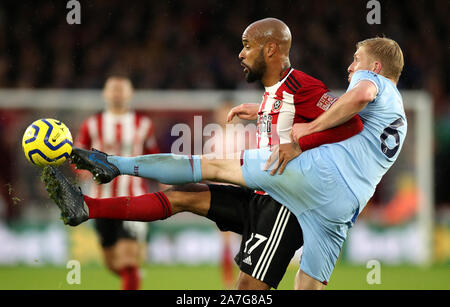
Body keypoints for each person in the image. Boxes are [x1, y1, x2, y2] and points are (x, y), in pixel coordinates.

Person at [43, 18, 364, 289]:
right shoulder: (273, 93)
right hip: (261, 194)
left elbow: (353, 122)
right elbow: (290, 116)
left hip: (285, 206)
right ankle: (86, 207)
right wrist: (262, 110)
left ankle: (113, 165)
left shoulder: (301, 86)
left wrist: (299, 143)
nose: (241, 54)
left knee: (247, 290)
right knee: (184, 195)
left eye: (247, 46)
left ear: (271, 49)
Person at [75, 76, 160, 290]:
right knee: (112, 262)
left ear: (130, 95)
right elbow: (77, 155)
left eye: (122, 90)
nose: (117, 94)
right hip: (101, 200)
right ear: (105, 94)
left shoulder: (143, 125)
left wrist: (164, 183)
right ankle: (133, 277)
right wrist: (82, 171)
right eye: (113, 89)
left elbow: (154, 157)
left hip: (134, 199)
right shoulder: (92, 125)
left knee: (127, 258)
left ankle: (132, 276)